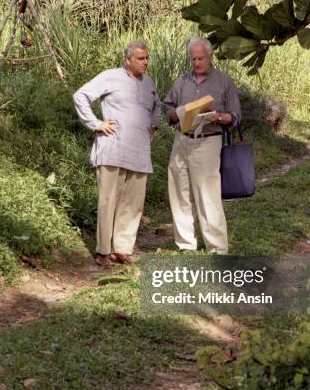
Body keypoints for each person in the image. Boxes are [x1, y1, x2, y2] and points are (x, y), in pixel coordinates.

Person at [73, 41, 161, 267]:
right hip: (113, 148)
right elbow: (80, 96)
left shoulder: (148, 82)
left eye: (147, 58)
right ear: (128, 60)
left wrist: (153, 126)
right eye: (141, 58)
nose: (145, 62)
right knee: (108, 200)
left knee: (132, 203)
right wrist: (96, 123)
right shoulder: (110, 76)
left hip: (140, 152)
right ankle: (103, 251)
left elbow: (157, 106)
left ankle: (121, 249)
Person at [164, 37, 241, 254]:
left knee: (207, 195)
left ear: (210, 57)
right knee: (179, 192)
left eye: (201, 58)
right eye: (193, 59)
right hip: (182, 140)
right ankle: (186, 245)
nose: (197, 63)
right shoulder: (182, 81)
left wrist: (217, 116)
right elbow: (168, 109)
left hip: (208, 140)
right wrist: (178, 112)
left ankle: (216, 248)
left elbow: (235, 117)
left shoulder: (223, 82)